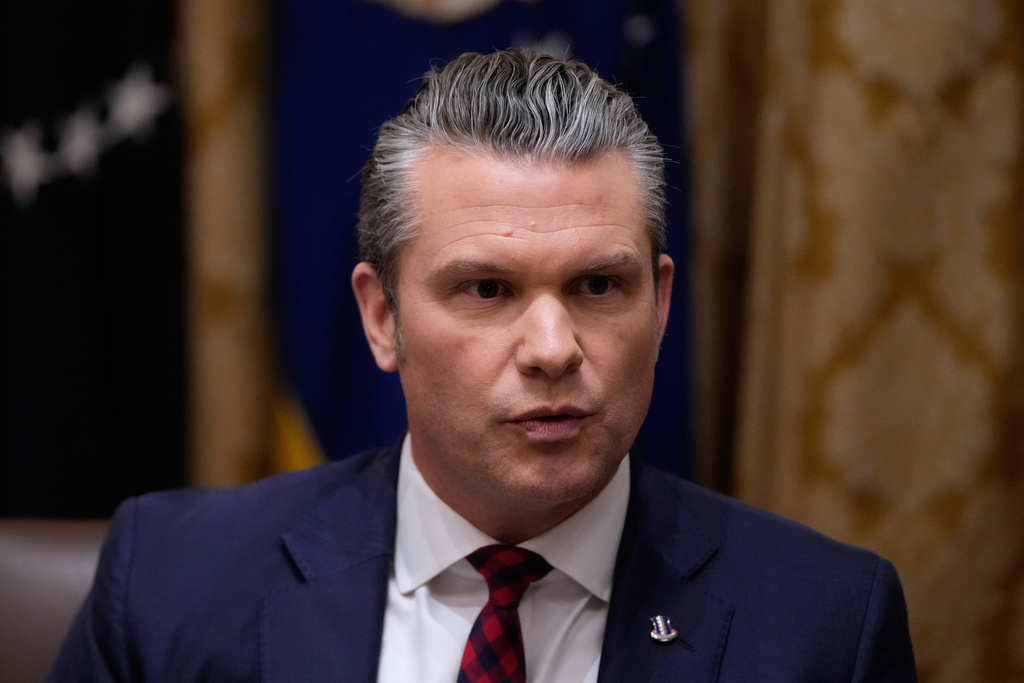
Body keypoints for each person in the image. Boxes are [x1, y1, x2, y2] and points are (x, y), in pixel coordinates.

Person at [50, 48, 916, 682]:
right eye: (488, 289)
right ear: (382, 317)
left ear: (660, 303)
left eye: (598, 284)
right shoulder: (169, 581)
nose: (552, 348)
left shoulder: (825, 624)